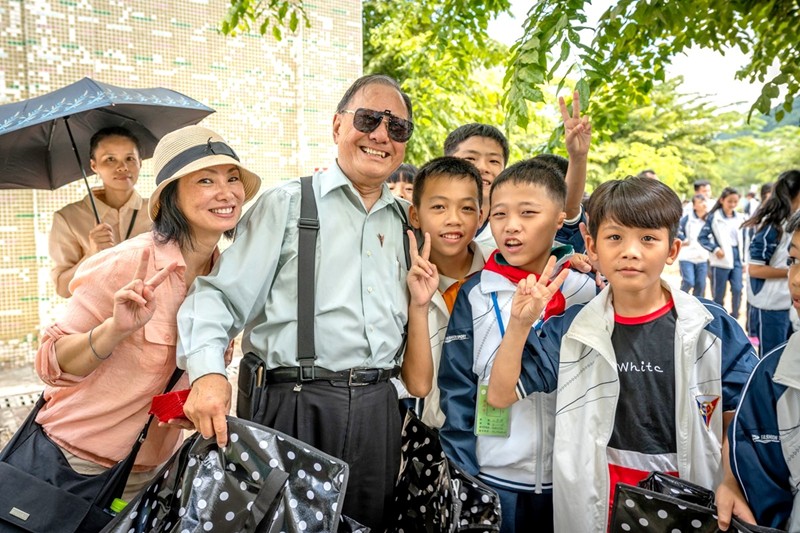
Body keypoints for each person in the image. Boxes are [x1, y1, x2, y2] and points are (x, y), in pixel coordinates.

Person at [176, 74, 423, 530]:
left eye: (397, 127)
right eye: (368, 119)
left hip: (379, 411)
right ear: (337, 125)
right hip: (294, 406)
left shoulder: (406, 222)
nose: (381, 135)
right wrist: (207, 374)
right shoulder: (288, 204)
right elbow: (216, 297)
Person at [485, 176, 758, 532]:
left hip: (689, 503)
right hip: (597, 502)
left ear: (672, 249)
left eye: (648, 238)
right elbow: (500, 395)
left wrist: (732, 481)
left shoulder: (711, 328)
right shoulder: (571, 330)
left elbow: (740, 420)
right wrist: (520, 325)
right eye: (615, 237)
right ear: (591, 245)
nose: (631, 251)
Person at [34, 125, 260, 500]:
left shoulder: (225, 275)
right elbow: (49, 362)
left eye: (232, 178)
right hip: (75, 465)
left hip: (154, 471)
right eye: (206, 180)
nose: (226, 193)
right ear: (172, 196)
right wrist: (114, 330)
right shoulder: (127, 262)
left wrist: (187, 402)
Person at [438, 159, 598, 533]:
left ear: (559, 219)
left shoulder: (585, 290)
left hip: (568, 478)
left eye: (528, 213)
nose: (511, 225)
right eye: (500, 214)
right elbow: (457, 388)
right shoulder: (475, 293)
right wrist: (465, 475)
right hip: (493, 476)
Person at [445, 91, 591, 253]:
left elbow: (569, 209)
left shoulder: (519, 229)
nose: (482, 167)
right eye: (470, 158)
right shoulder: (426, 221)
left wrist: (578, 157)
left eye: (493, 161)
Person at [402, 156, 488, 428]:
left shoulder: (499, 272)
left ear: (481, 216)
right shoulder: (403, 281)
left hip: (497, 433)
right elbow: (418, 385)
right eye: (439, 206)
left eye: (467, 208)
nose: (453, 219)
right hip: (433, 431)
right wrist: (418, 306)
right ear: (415, 215)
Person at [727, 210, 800, 530]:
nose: (794, 279)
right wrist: (729, 479)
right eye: (793, 260)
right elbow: (762, 497)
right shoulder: (774, 374)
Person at [49, 127, 153, 298]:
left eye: (130, 158)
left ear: (140, 163)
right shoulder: (67, 218)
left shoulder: (157, 210)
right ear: (94, 165)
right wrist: (91, 254)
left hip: (153, 309)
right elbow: (62, 289)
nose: (122, 167)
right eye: (110, 159)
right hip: (98, 314)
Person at [741, 170, 800, 355]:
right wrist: (789, 271)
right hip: (769, 304)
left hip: (786, 302)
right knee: (771, 358)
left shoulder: (791, 222)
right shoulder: (772, 226)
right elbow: (755, 269)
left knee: (786, 356)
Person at [698, 187, 747, 318]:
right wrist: (715, 249)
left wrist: (744, 260)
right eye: (729, 201)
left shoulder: (740, 218)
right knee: (719, 293)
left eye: (735, 202)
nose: (732, 204)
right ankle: (719, 317)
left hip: (737, 258)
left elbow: (744, 240)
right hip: (721, 260)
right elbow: (702, 237)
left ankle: (735, 316)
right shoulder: (714, 217)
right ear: (722, 200)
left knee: (737, 289)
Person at [677, 193, 710, 296]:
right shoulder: (688, 218)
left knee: (701, 285)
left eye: (704, 201)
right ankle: (680, 300)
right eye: (700, 202)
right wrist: (684, 239)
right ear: (694, 206)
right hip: (687, 256)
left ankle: (697, 304)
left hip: (702, 257)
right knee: (689, 282)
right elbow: (676, 229)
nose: (703, 204)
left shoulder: (709, 219)